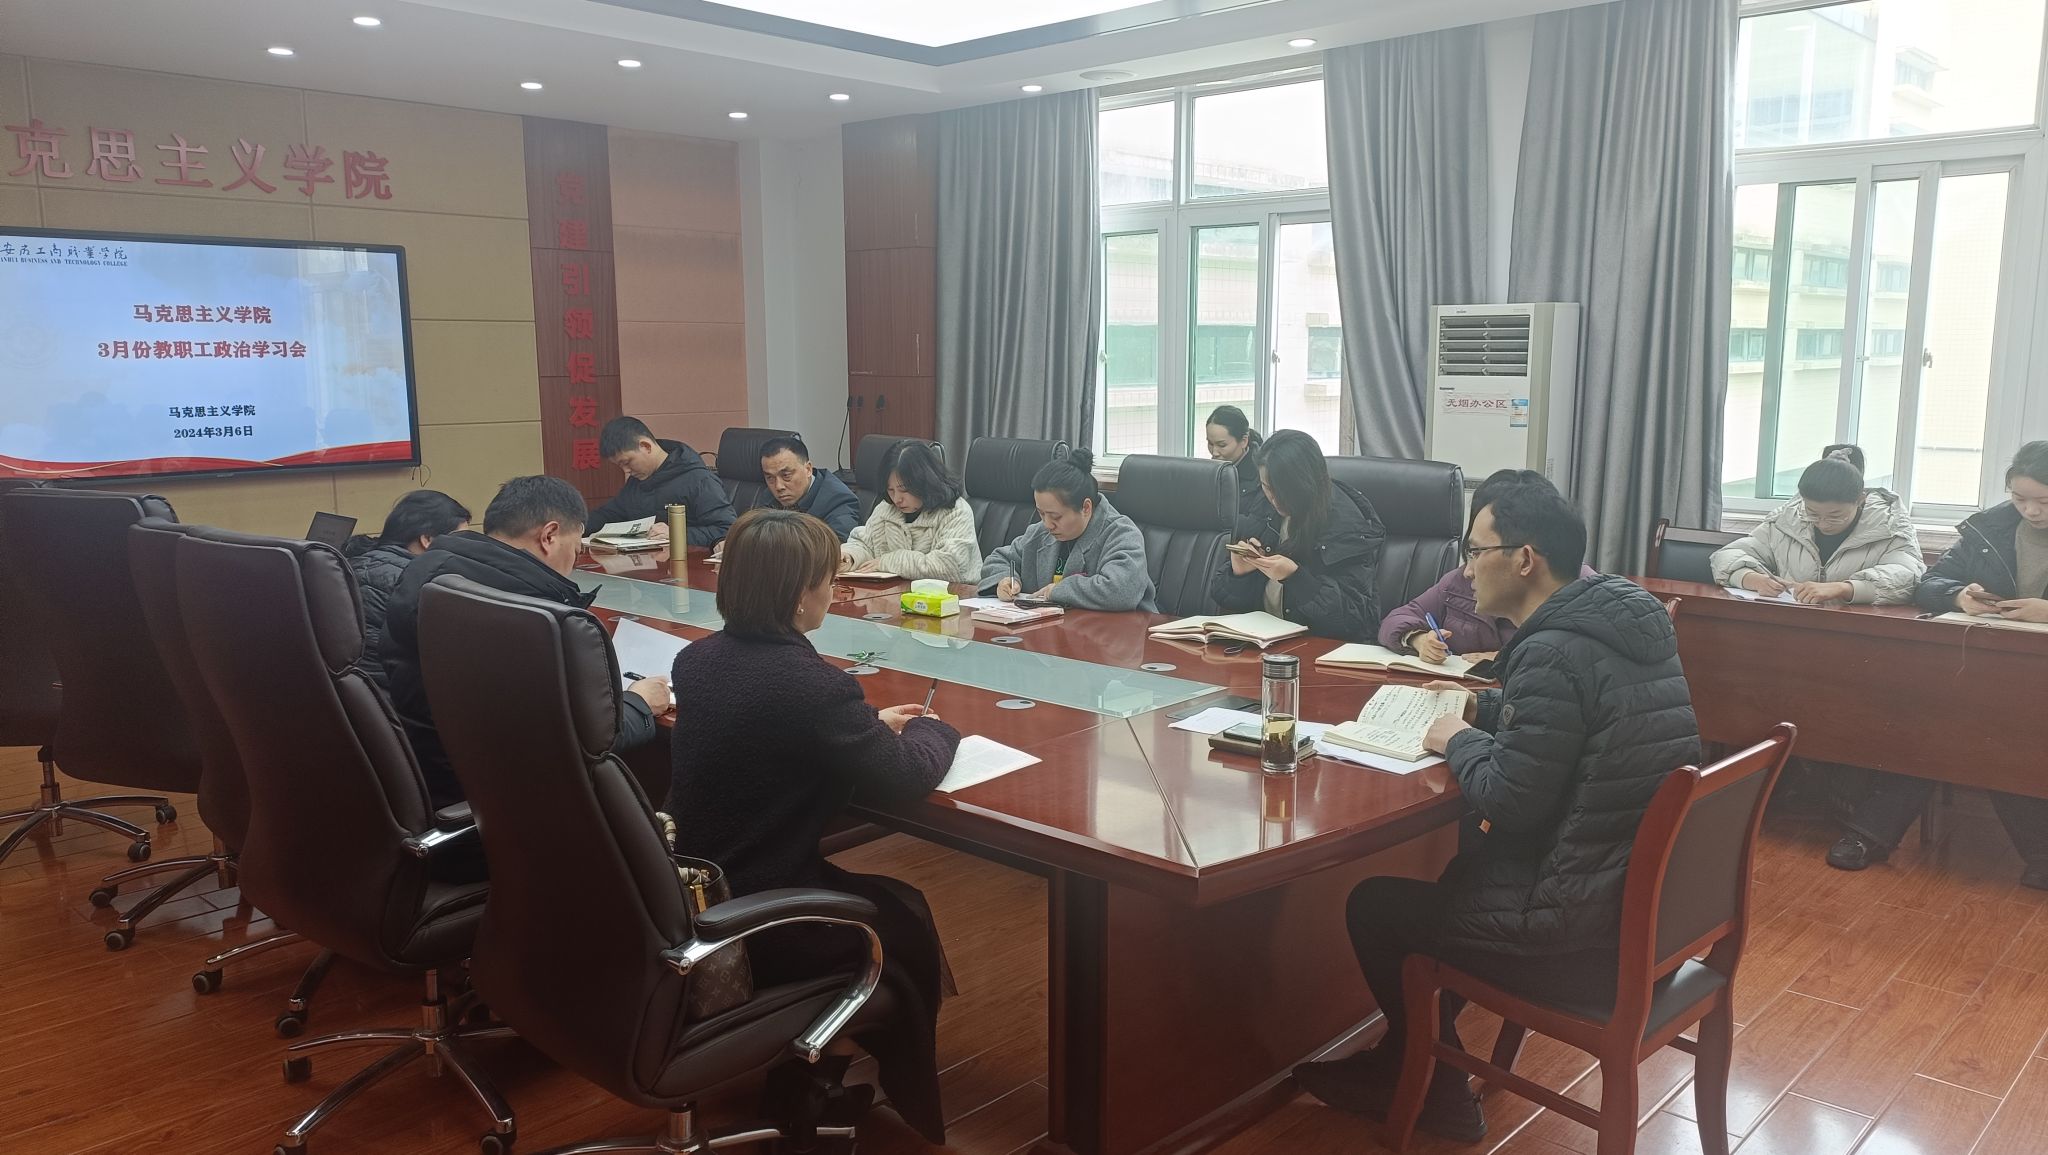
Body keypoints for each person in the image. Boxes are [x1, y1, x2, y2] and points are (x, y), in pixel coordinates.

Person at [1295, 484, 1699, 1142]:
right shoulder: (1624, 622)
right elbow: (1578, 717)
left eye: (1476, 551)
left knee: (1375, 905)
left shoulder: (1551, 651)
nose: (1464, 568)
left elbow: (1512, 800)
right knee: (1464, 872)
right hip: (1641, 915)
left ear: (1525, 559)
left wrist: (1458, 739)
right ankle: (1408, 1061)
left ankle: (1437, 1091)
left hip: (1578, 936)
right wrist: (1486, 707)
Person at [666, 508, 957, 1143]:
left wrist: (869, 725)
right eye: (828, 580)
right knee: (903, 921)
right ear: (801, 594)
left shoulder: (697, 661)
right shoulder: (813, 688)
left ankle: (816, 1070)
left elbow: (775, 731)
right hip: (760, 915)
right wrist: (935, 728)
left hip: (692, 893)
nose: (834, 590)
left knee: (896, 907)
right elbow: (906, 775)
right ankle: (823, 1086)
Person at [1827, 441, 2048, 885]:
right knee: (1939, 723)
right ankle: (1871, 833)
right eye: (2019, 498)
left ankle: (1871, 831)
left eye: (2043, 501)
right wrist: (1957, 595)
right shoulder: (1990, 529)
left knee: (1990, 732)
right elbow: (1929, 583)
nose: (2031, 511)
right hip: (1988, 667)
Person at [381, 476, 671, 807]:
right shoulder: (528, 614)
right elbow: (585, 740)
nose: (574, 562)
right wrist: (638, 704)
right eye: (576, 549)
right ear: (549, 536)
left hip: (435, 769)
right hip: (509, 799)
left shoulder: (430, 573)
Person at [1379, 469, 1596, 664]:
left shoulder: (1584, 595)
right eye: (1473, 551)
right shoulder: (1460, 581)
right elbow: (1396, 618)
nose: (1469, 571)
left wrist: (1510, 659)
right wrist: (1418, 638)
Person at [1209, 429, 1386, 642]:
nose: (1274, 499)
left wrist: (1295, 577)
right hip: (1262, 642)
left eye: (1283, 491)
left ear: (1307, 483)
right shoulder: (1262, 507)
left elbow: (1354, 617)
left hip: (1320, 648)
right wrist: (1239, 574)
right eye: (1267, 487)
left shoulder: (1345, 523)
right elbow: (1223, 596)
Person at [1710, 444, 1925, 605]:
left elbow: (1907, 576)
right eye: (1813, 513)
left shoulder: (1890, 528)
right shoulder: (1787, 521)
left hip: (1858, 631)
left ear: (1860, 500)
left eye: (1835, 516)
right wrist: (1751, 579)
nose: (1823, 524)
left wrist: (1844, 588)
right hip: (1789, 624)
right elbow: (1728, 555)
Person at [978, 449, 1157, 612]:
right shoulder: (1040, 533)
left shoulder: (1121, 534)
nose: (1047, 524)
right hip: (1054, 630)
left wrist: (1058, 590)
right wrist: (1005, 580)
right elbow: (998, 559)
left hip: (1117, 632)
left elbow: (1120, 590)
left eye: (1055, 517)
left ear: (1086, 508)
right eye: (1041, 513)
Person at [343, 490, 470, 689]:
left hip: (361, 690)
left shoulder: (357, 562)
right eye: (460, 540)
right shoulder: (416, 582)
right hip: (393, 693)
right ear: (427, 539)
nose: (466, 549)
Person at [585, 416, 736, 547]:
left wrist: (676, 534)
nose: (626, 471)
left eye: (627, 462)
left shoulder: (698, 480)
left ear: (646, 446)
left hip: (689, 564)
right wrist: (577, 527)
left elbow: (727, 530)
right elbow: (611, 514)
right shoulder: (636, 482)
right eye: (620, 465)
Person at [841, 440, 980, 581]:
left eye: (904, 490)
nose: (897, 499)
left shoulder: (956, 511)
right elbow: (866, 543)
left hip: (951, 593)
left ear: (926, 481)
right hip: (894, 591)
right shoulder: (886, 508)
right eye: (891, 490)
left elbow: (949, 566)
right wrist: (849, 557)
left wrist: (888, 562)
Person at [756, 435, 861, 540]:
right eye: (770, 477)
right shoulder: (769, 495)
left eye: (786, 475)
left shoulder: (839, 501)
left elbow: (836, 545)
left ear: (808, 469)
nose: (778, 486)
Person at [1205, 404, 1271, 522]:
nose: (1214, 452)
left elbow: (1255, 524)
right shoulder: (1207, 471)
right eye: (1210, 443)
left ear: (1244, 441)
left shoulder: (1261, 475)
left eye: (1222, 445)